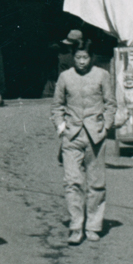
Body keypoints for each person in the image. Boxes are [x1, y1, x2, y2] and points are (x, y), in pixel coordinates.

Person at [51, 43, 116, 245]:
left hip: (95, 137)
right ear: (73, 57)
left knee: (96, 184)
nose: (81, 62)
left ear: (91, 58)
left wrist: (105, 127)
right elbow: (57, 105)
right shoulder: (65, 77)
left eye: (85, 58)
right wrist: (61, 127)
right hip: (72, 136)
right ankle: (76, 226)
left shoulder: (102, 75)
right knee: (73, 182)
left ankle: (94, 226)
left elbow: (110, 104)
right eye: (78, 57)